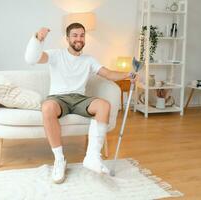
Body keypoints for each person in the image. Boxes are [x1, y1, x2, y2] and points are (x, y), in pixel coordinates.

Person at [25, 23, 137, 184]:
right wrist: (38, 39)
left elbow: (109, 74)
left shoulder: (88, 59)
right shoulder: (56, 54)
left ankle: (92, 157)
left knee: (103, 105)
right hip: (58, 98)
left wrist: (128, 74)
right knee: (47, 107)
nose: (79, 38)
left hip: (79, 98)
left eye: (82, 35)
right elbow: (31, 59)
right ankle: (59, 160)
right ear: (67, 38)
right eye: (75, 35)